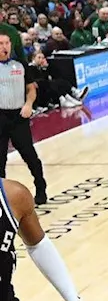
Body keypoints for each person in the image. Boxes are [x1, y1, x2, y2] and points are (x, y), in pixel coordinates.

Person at [0, 34, 47, 205]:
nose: (4, 47)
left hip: (19, 116)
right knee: (0, 160)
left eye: (6, 43)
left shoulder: (20, 66)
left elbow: (31, 89)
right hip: (1, 116)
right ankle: (2, 199)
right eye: (0, 44)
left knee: (29, 155)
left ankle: (41, 187)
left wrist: (28, 104)